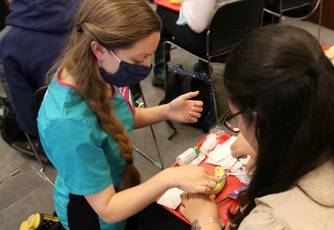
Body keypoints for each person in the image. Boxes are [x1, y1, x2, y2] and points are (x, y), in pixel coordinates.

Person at [178, 24, 334, 230]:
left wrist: (206, 221)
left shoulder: (272, 222)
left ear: (262, 118)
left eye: (236, 119)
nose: (239, 129)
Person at [37, 0, 217, 229]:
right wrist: (169, 177)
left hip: (118, 190)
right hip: (95, 215)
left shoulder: (98, 73)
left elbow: (116, 120)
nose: (147, 66)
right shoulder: (67, 124)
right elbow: (109, 209)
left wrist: (166, 111)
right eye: (138, 59)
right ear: (99, 49)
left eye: (150, 56)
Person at [0, 0, 80, 138]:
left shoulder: (10, 41)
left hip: (58, 131)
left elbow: (28, 119)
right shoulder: (90, 8)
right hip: (110, 107)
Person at [152, 0, 232, 87]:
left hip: (210, 44)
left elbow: (198, 26)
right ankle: (204, 67)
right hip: (234, 40)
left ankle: (160, 72)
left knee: (163, 10)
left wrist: (185, 3)